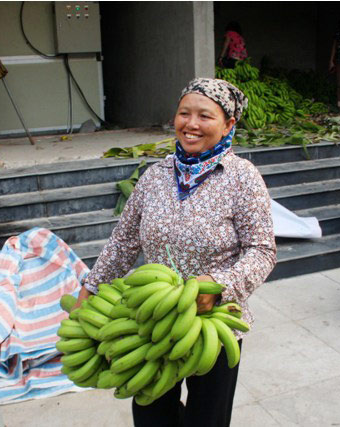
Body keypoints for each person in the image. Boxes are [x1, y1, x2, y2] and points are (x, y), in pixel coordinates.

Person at [75, 78, 277, 426]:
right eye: (184, 113)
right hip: (150, 320)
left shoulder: (243, 178)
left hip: (215, 326)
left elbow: (262, 252)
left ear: (229, 124)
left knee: (207, 419)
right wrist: (91, 287)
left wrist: (216, 287)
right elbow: (123, 241)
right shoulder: (155, 176)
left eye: (205, 116)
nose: (191, 124)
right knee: (152, 415)